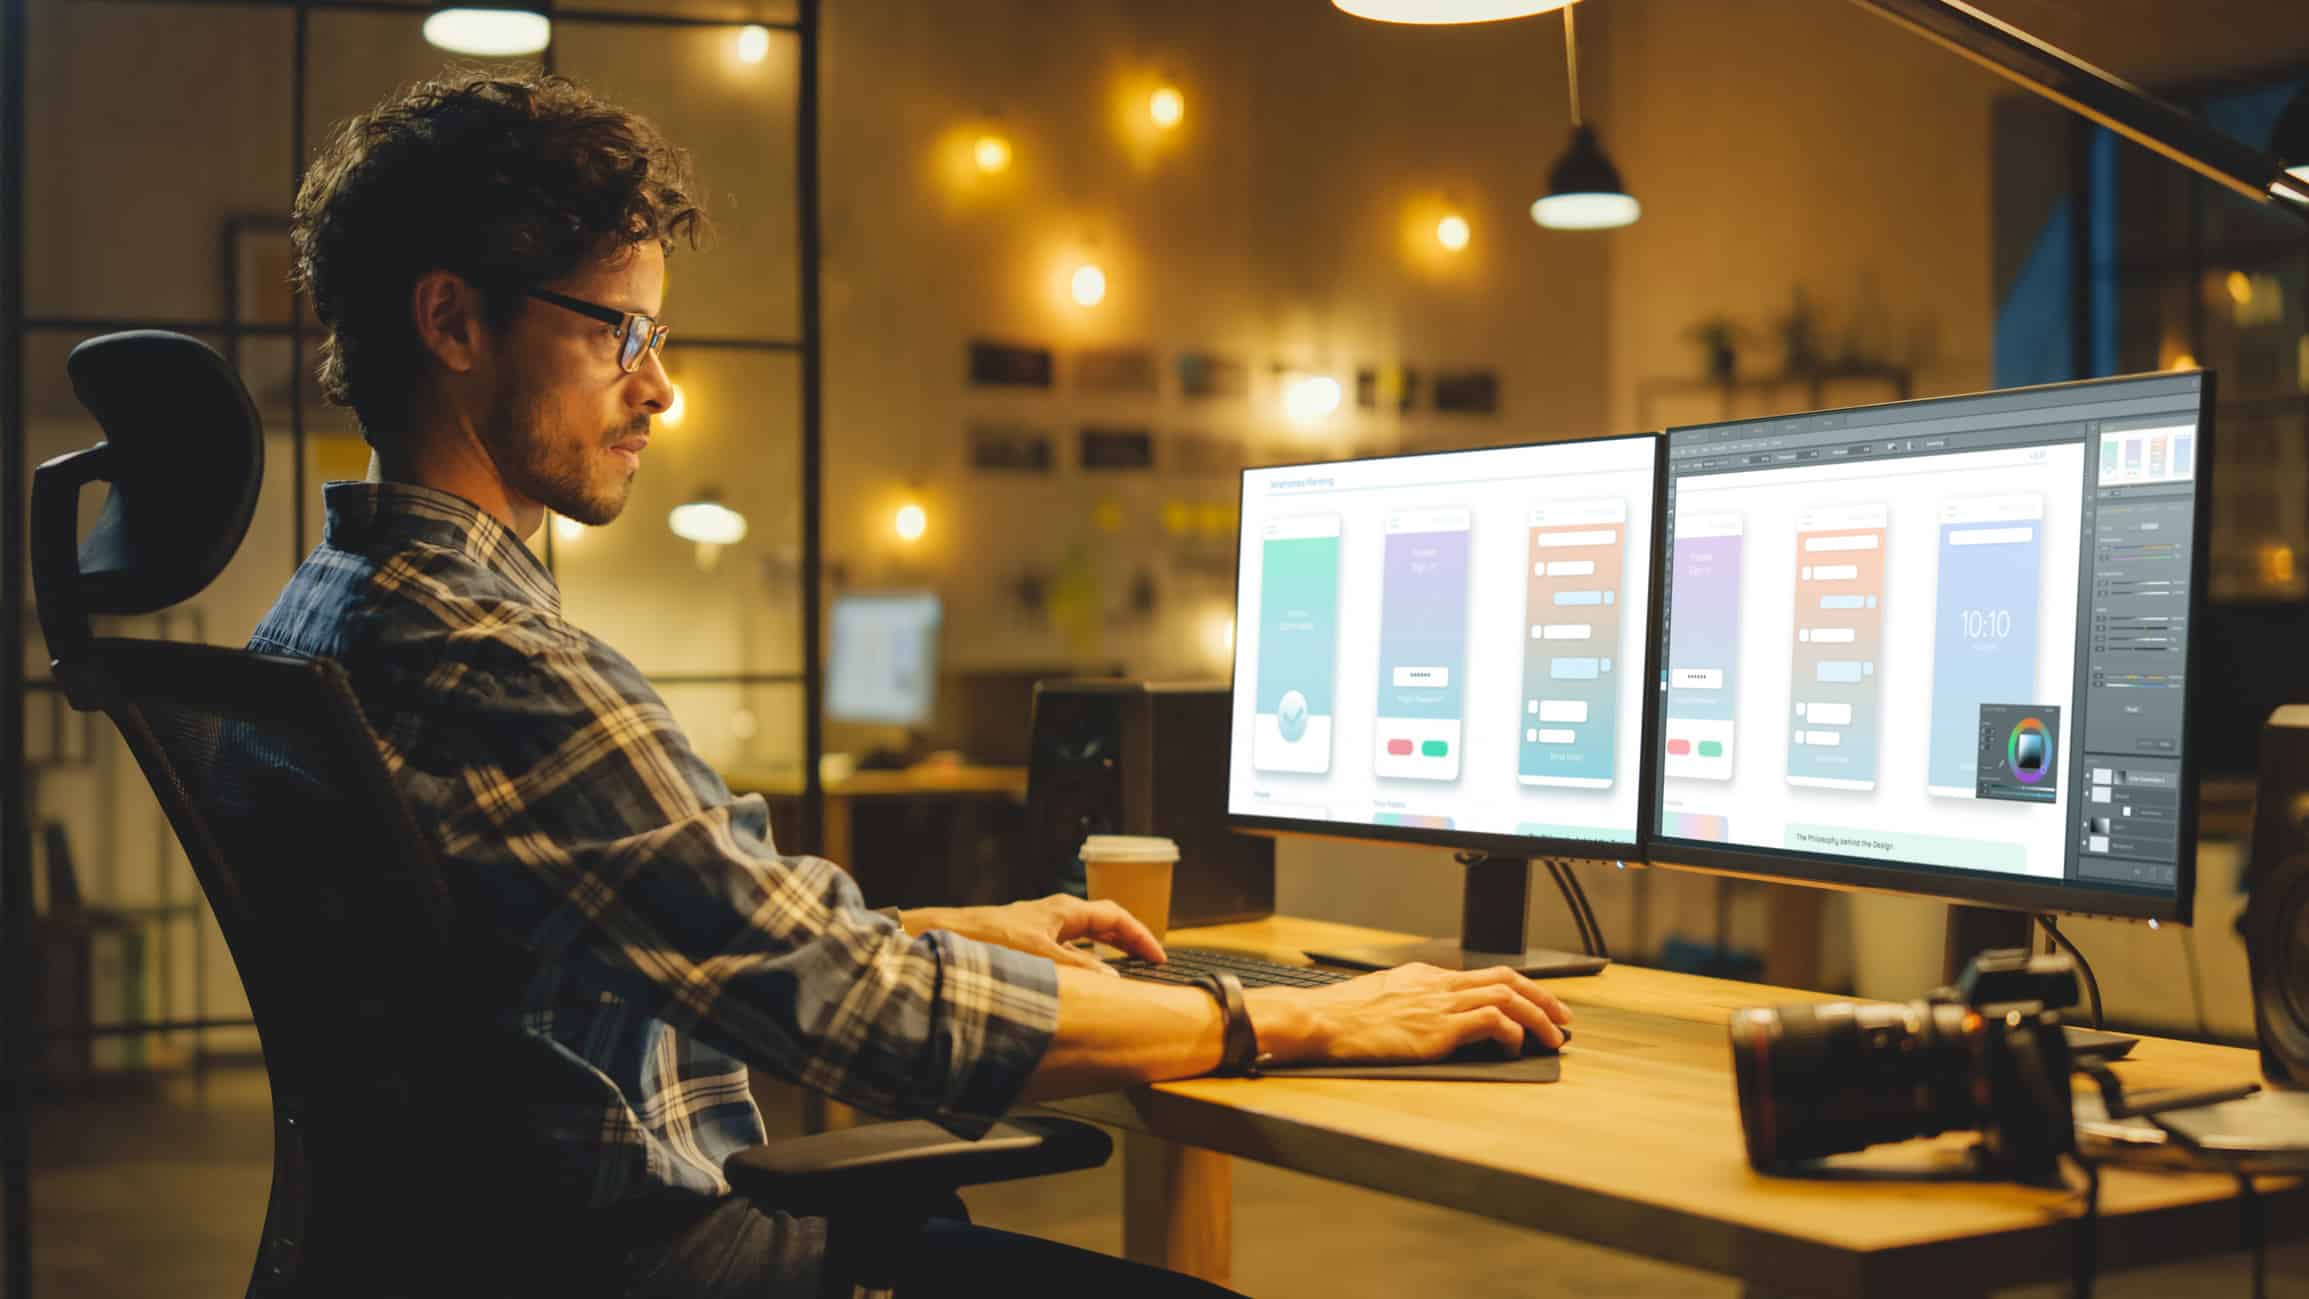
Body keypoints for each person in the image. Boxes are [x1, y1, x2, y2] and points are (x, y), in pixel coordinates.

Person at [263, 71, 1570, 1298]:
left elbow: (685, 938)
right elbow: (860, 1021)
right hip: (673, 1261)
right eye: (620, 331)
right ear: (451, 320)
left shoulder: (328, 611)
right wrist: (1298, 1022)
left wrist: (948, 929)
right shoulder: (502, 667)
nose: (657, 387)